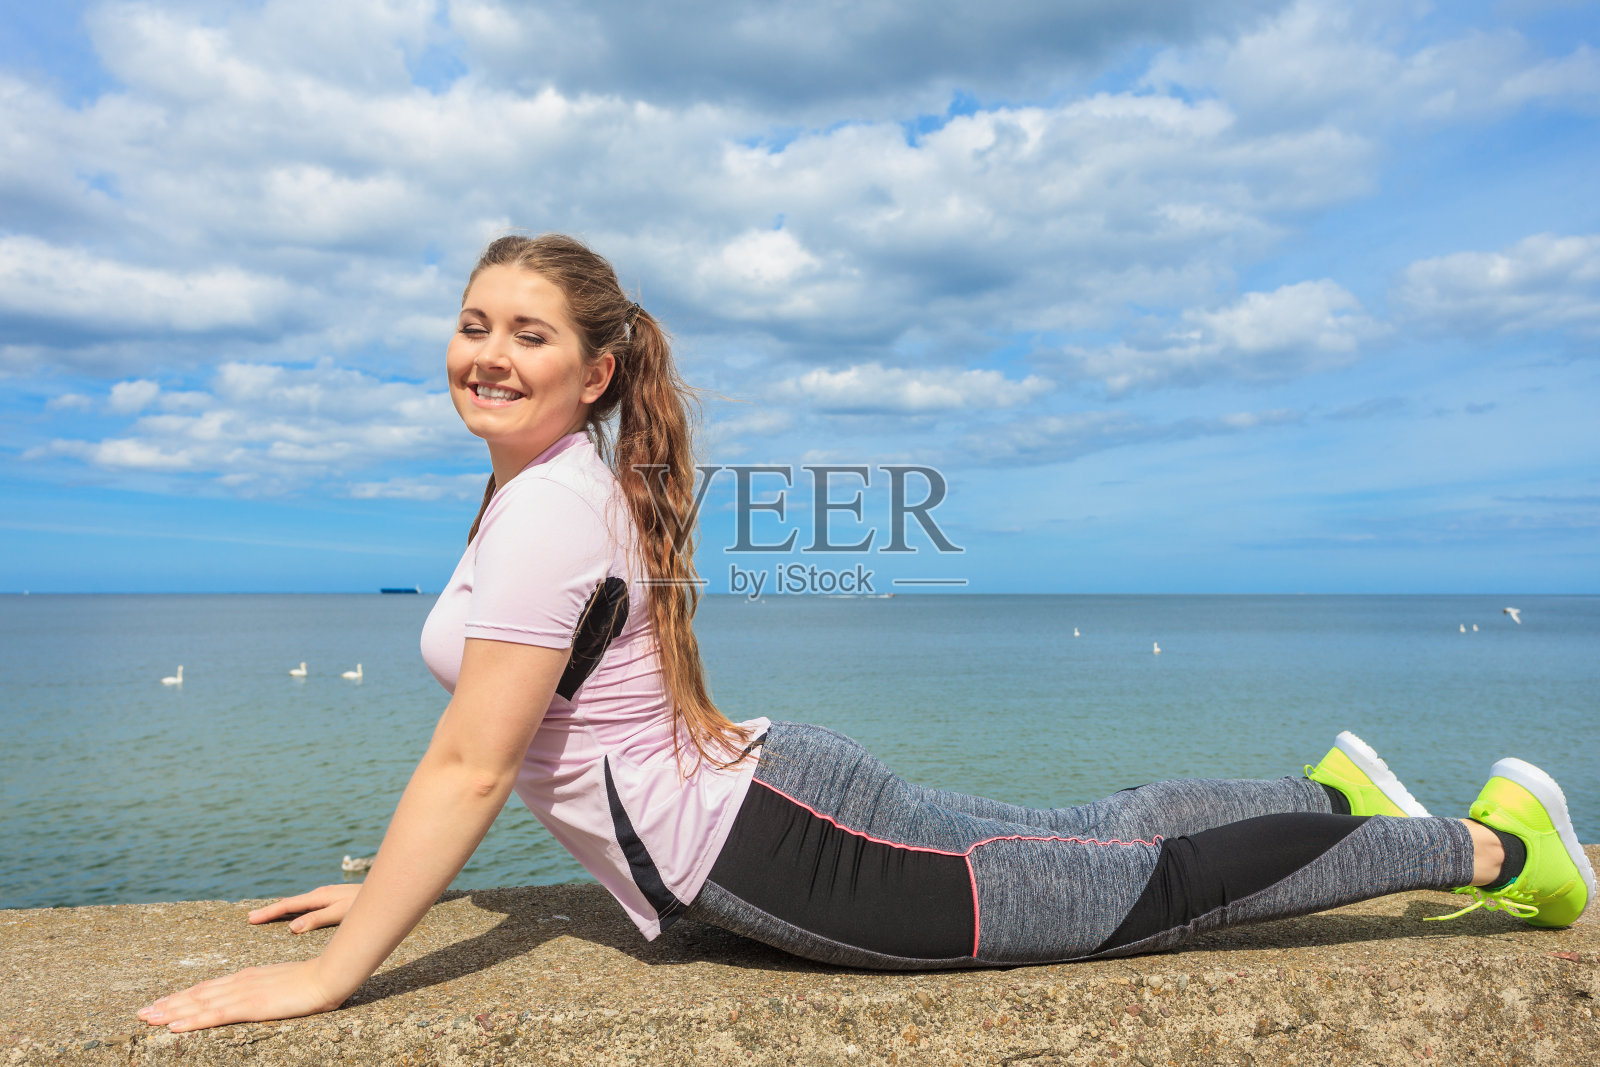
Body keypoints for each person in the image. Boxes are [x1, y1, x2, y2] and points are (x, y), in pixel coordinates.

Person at [138, 234, 1594, 1032]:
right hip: (774, 802)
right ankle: (1328, 797)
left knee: (1138, 888)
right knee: (1091, 830)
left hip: (781, 845)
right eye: (473, 321)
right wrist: (380, 890)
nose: (486, 353)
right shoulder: (540, 490)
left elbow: (473, 768)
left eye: (528, 333)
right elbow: (503, 737)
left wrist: (339, 977)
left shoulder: (541, 511)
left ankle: (1494, 847)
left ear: (593, 372)